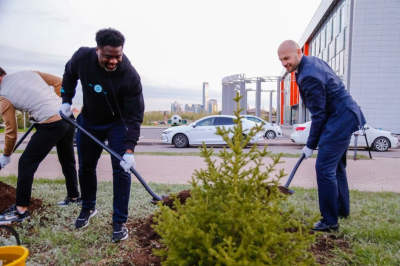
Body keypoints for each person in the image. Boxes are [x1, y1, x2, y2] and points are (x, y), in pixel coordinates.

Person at [59, 28, 144, 242]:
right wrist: (66, 100)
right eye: (108, 56)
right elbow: (69, 75)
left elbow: (135, 116)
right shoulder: (82, 58)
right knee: (86, 167)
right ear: (97, 50)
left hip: (118, 124)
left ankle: (119, 221)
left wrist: (129, 149)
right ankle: (88, 208)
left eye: (118, 56)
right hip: (89, 121)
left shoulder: (130, 76)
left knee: (122, 170)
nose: (114, 61)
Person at [277, 40, 366, 232]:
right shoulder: (312, 62)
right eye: (281, 60)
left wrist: (310, 145)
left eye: (287, 58)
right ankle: (341, 209)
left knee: (324, 168)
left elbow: (319, 115)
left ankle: (329, 221)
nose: (284, 63)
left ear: (298, 52)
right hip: (346, 114)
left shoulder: (309, 75)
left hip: (340, 118)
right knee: (337, 167)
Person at [0, 67, 80, 224]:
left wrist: (6, 155)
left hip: (51, 123)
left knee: (26, 163)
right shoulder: (28, 73)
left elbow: (11, 130)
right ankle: (73, 197)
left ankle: (20, 211)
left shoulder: (3, 96)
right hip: (67, 117)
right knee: (67, 159)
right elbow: (60, 83)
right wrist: (56, 103)